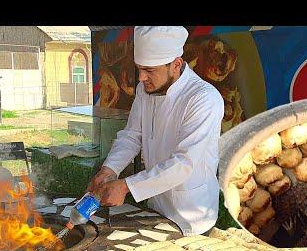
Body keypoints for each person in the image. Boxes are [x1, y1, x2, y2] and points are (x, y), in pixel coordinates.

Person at [88, 26, 224, 236]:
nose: (141, 78)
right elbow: (132, 135)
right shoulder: (146, 88)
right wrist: (110, 168)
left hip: (191, 216)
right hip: (156, 208)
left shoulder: (204, 98)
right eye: (139, 68)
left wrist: (126, 186)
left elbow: (184, 164)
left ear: (176, 64)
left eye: (149, 70)